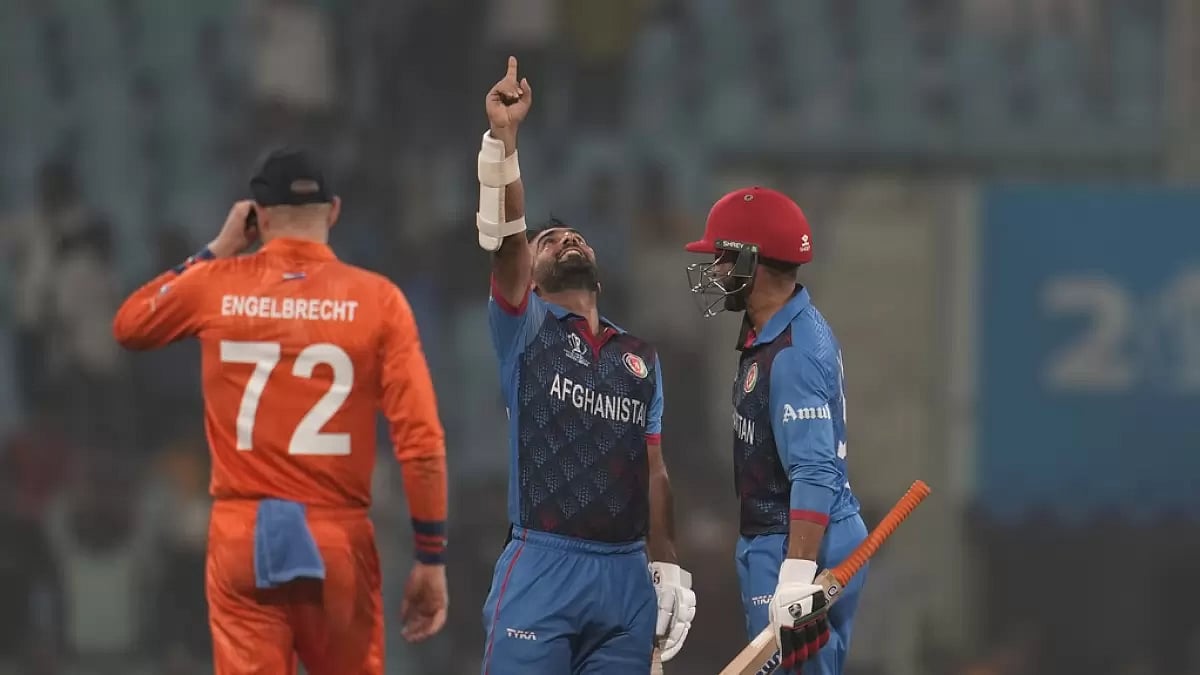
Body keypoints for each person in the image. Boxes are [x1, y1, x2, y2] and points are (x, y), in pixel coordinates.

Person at [112, 149, 449, 674]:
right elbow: (422, 443)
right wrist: (429, 557)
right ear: (333, 211)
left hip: (243, 534)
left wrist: (220, 247)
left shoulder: (217, 286)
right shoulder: (379, 300)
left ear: (258, 215)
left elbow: (131, 325)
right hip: (337, 538)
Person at [474, 57, 695, 674]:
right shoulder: (525, 327)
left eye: (576, 237)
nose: (567, 241)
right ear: (533, 276)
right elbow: (509, 237)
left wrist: (668, 562)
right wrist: (505, 143)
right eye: (551, 242)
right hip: (542, 565)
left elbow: (655, 471)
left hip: (624, 578)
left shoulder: (641, 359)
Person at [683, 187, 868, 674]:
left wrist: (796, 573)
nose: (717, 270)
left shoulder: (793, 353)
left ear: (753, 263)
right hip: (793, 534)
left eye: (724, 257)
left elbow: (813, 468)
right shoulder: (778, 331)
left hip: (796, 540)